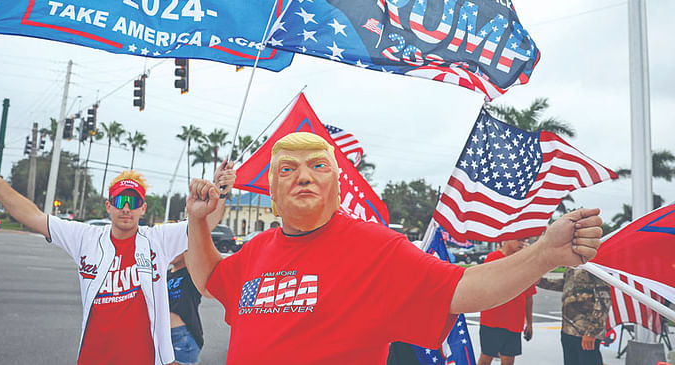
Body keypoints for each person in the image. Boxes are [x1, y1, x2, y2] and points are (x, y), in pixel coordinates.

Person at [184, 132, 604, 365]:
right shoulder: (256, 250)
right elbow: (210, 280)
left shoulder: (375, 248)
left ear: (335, 187)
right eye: (288, 170)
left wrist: (544, 253)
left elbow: (465, 288)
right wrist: (197, 221)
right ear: (272, 192)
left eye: (318, 166)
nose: (304, 177)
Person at [0, 153, 233, 365]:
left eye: (133, 201)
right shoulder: (86, 238)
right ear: (109, 206)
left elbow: (204, 222)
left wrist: (219, 192)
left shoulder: (158, 240)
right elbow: (34, 217)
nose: (126, 207)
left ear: (143, 207)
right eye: (120, 200)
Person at [477, 238, 536, 365]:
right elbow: (483, 287)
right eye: (518, 239)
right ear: (506, 239)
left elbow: (529, 297)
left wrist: (529, 323)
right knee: (485, 359)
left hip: (514, 323)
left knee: (509, 360)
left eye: (523, 240)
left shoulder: (524, 263)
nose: (522, 243)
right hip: (492, 322)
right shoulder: (492, 259)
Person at [560, 268, 612, 365]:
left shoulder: (595, 265)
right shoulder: (573, 264)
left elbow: (603, 300)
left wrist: (591, 332)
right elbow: (566, 285)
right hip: (568, 330)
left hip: (585, 331)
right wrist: (540, 282)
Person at [167, 252, 204, 365]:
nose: (171, 249)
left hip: (182, 336)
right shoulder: (165, 274)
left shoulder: (192, 275)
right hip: (163, 335)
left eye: (176, 246)